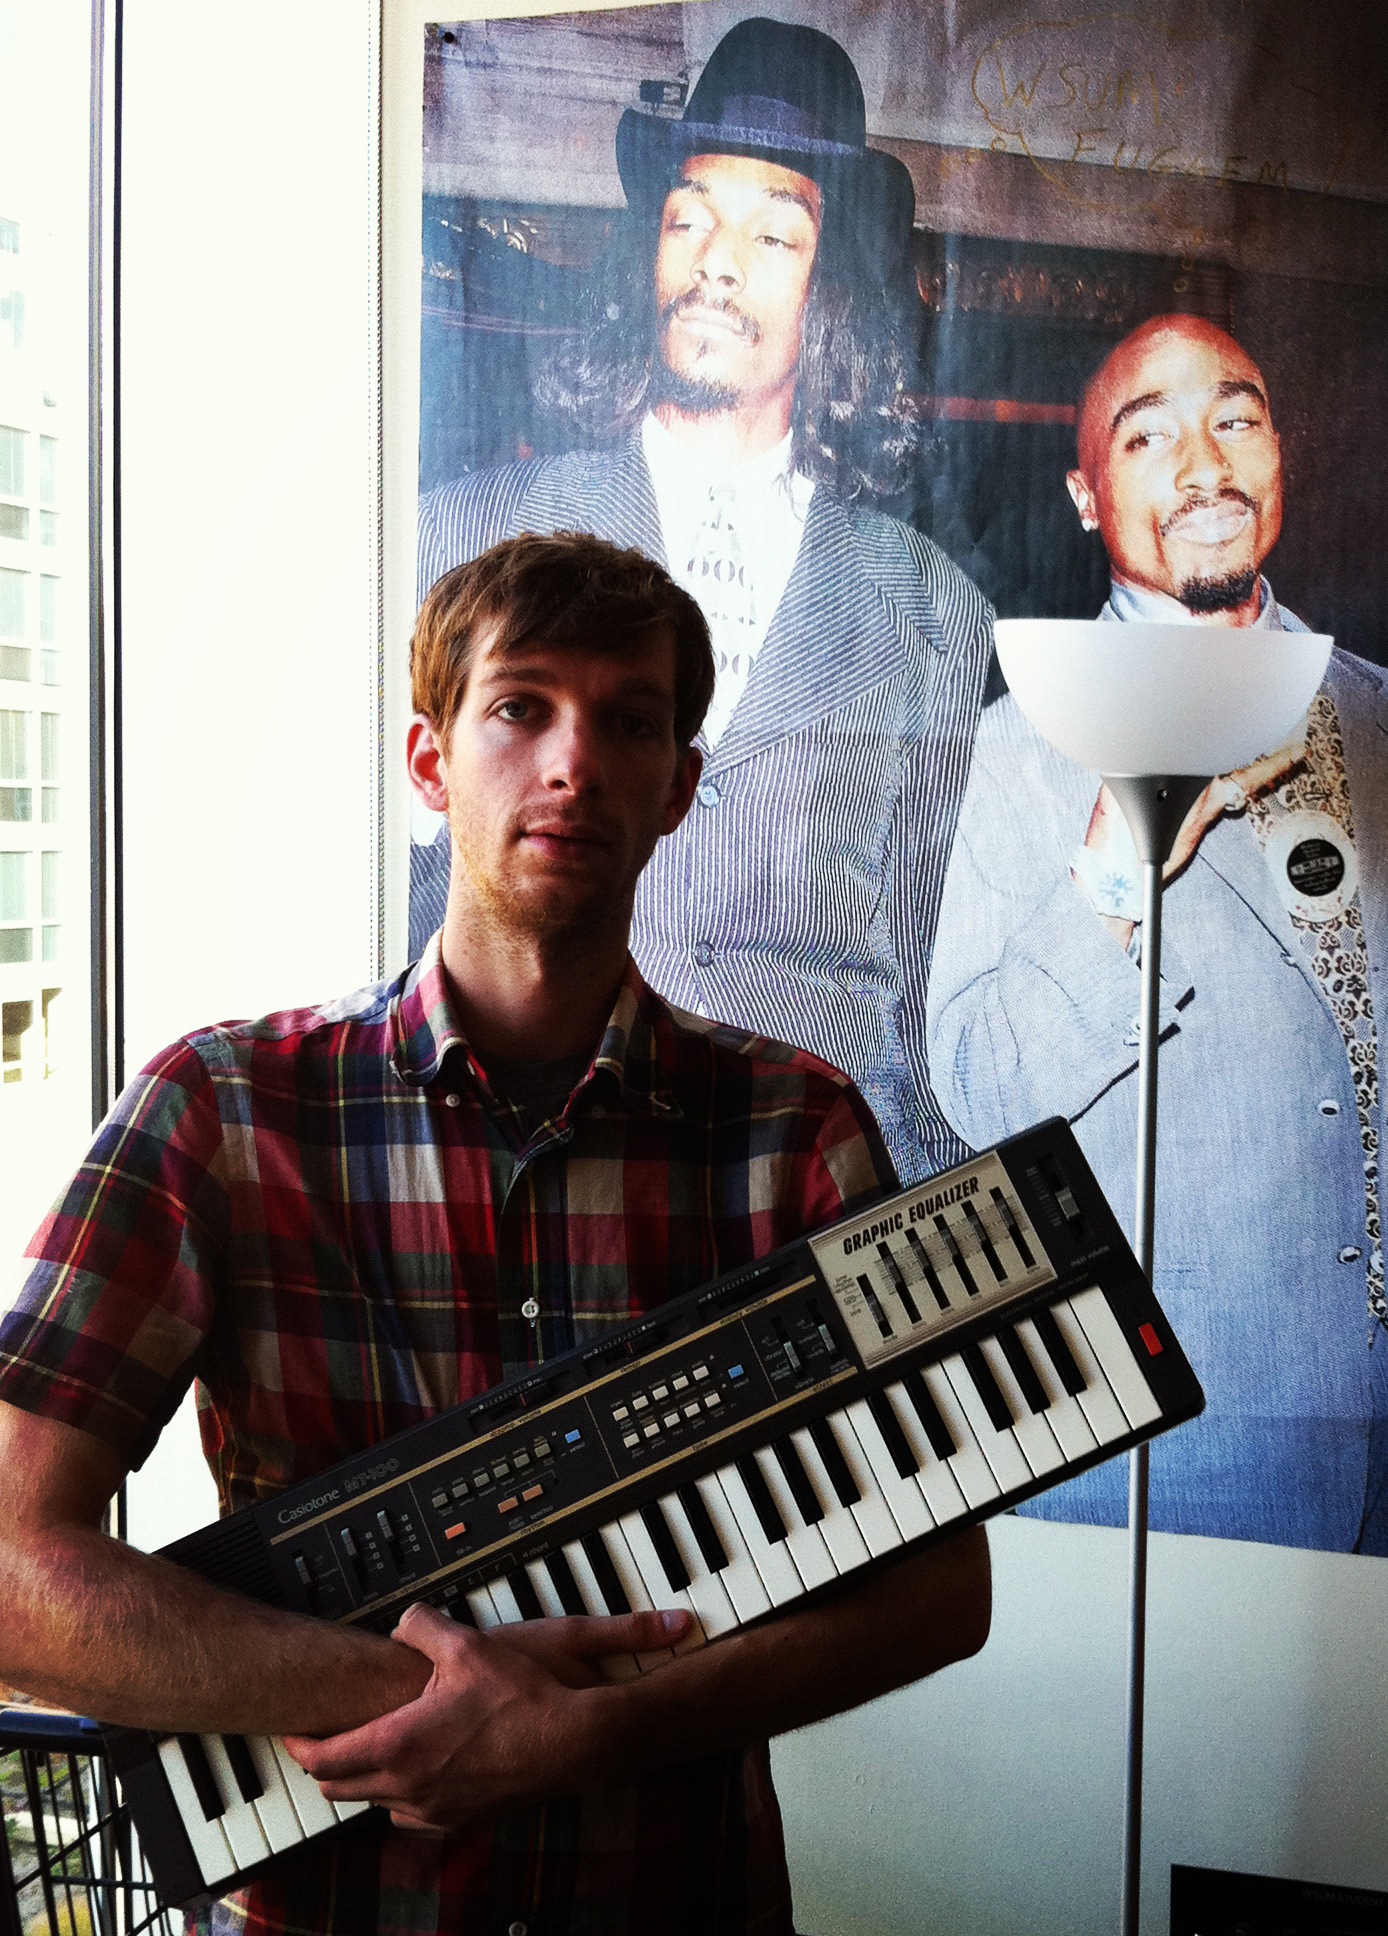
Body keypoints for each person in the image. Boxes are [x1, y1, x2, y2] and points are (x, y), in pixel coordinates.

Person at [0, 534, 991, 1935]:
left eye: (629, 722)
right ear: (430, 763)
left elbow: (942, 1592)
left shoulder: (795, 1128)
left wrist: (591, 1732)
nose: (573, 762)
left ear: (679, 787)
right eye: (521, 706)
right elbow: (11, 1570)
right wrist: (433, 1700)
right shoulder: (220, 1108)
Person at [414, 15, 991, 1186]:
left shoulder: (936, 605)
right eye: (690, 217)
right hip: (523, 1174)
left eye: (775, 232)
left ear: (832, 282)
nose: (718, 262)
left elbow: (922, 984)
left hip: (805, 1193)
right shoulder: (456, 537)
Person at [926, 316, 1388, 1557]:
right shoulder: (1016, 748)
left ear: (1279, 451)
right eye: (1148, 436)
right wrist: (1122, 852)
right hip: (1176, 1458)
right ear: (1084, 494)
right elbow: (982, 1089)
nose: (1205, 465)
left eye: (1235, 420)